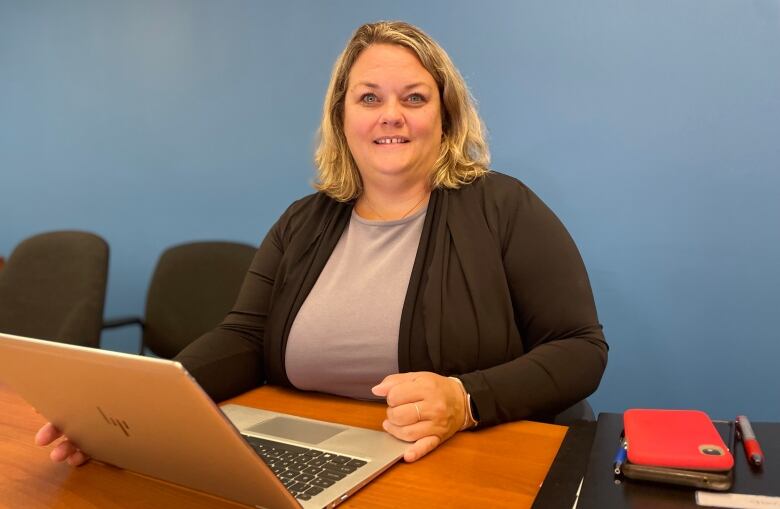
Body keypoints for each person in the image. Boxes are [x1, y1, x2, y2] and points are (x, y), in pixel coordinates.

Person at [36, 20, 607, 466]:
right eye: (369, 98)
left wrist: (466, 400)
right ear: (341, 116)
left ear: (445, 115)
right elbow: (247, 336)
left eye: (414, 98)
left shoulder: (503, 207)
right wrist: (135, 413)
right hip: (312, 454)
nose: (392, 117)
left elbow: (580, 347)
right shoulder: (303, 222)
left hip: (458, 462)